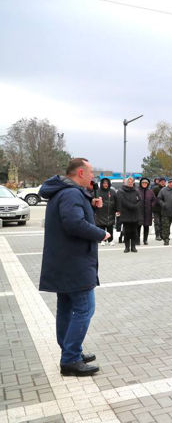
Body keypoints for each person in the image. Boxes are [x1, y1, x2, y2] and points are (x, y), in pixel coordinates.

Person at [38, 158, 109, 376]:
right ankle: (70, 359)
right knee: (85, 308)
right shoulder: (70, 193)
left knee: (67, 308)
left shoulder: (66, 192)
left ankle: (71, 351)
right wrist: (101, 233)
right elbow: (74, 223)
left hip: (65, 261)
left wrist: (90, 205)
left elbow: (73, 217)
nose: (93, 177)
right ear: (80, 172)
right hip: (74, 263)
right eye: (90, 173)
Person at [116, 176, 142, 253]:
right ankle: (127, 247)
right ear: (126, 183)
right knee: (126, 232)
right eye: (129, 181)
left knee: (134, 231)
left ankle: (133, 247)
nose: (130, 183)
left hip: (134, 214)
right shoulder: (121, 191)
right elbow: (123, 201)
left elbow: (140, 200)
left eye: (132, 181)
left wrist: (136, 205)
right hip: (125, 214)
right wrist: (133, 206)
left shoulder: (136, 191)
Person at [93, 177, 116, 245]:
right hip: (101, 212)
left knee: (110, 227)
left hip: (110, 212)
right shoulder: (98, 191)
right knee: (101, 227)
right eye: (104, 183)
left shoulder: (112, 191)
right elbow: (95, 201)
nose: (105, 184)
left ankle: (110, 240)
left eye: (107, 183)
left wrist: (117, 209)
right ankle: (103, 240)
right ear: (102, 184)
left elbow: (116, 201)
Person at [137, 177, 156, 245]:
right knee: (138, 226)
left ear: (148, 184)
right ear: (141, 183)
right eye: (143, 183)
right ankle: (137, 240)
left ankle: (145, 240)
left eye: (146, 183)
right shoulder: (137, 191)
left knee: (146, 226)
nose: (144, 184)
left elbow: (154, 200)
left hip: (148, 212)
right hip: (139, 212)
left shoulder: (150, 191)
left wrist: (151, 205)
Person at [152, 177, 165, 242]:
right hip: (156, 208)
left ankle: (162, 234)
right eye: (161, 181)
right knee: (157, 222)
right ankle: (157, 235)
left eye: (164, 181)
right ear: (159, 182)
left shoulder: (166, 189)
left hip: (164, 208)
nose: (163, 183)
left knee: (163, 222)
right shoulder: (155, 188)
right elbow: (153, 198)